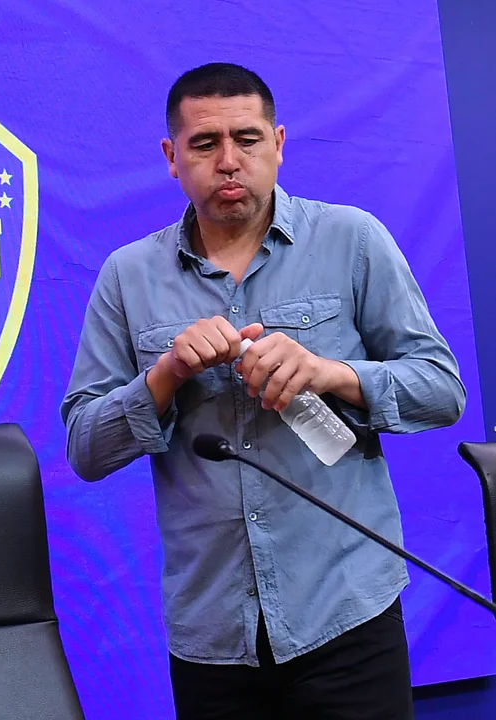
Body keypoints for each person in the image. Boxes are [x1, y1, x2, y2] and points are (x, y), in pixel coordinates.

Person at [60, 62, 466, 720]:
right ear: (171, 157)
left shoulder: (352, 240)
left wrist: (331, 373)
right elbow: (84, 447)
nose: (228, 161)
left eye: (246, 139)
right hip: (213, 635)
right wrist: (165, 375)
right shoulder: (127, 277)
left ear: (277, 144)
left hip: (346, 612)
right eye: (204, 143)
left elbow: (441, 389)